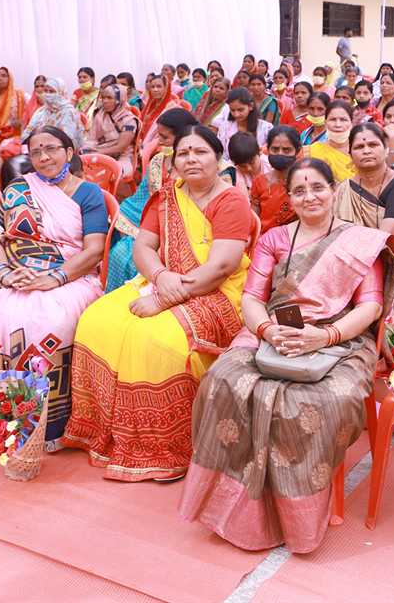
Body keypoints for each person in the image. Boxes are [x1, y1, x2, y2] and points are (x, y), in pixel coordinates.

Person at [180, 158, 394, 553]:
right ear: (290, 198)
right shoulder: (275, 239)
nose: (309, 197)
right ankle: (230, 507)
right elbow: (252, 298)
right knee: (222, 381)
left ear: (334, 190)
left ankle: (297, 519)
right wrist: (267, 330)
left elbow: (371, 307)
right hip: (273, 330)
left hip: (340, 339)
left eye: (317, 188)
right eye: (299, 191)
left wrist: (324, 336)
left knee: (316, 402)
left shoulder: (359, 242)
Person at [64, 126, 253, 482]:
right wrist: (160, 276)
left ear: (218, 159)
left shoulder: (232, 200)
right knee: (96, 320)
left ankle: (162, 448)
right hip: (162, 280)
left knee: (155, 341)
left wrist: (165, 297)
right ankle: (101, 432)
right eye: (184, 153)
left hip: (216, 292)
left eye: (200, 152)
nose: (191, 159)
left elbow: (222, 266)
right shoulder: (168, 195)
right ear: (174, 161)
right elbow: (143, 247)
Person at [0, 127, 107, 448]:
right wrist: (2, 272)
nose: (43, 157)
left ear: (69, 153)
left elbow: (94, 250)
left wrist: (54, 278)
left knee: (30, 321)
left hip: (69, 273)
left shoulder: (88, 194)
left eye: (51, 149)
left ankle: (26, 425)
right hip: (11, 270)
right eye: (36, 152)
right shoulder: (18, 188)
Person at [333, 122, 394, 313]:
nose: (366, 150)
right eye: (359, 147)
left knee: (373, 302)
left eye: (373, 145)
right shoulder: (344, 189)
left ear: (386, 149)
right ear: (350, 154)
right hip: (350, 261)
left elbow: (384, 240)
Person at [105, 108, 198, 292]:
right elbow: (141, 199)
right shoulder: (159, 161)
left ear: (183, 136)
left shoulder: (200, 165)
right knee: (115, 240)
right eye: (159, 135)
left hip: (186, 228)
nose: (159, 141)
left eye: (165, 137)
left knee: (126, 255)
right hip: (152, 218)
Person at [251, 125, 300, 235]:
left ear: (297, 151)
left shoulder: (304, 182)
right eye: (275, 149)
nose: (280, 154)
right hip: (264, 240)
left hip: (295, 240)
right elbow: (254, 220)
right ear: (268, 149)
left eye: (286, 150)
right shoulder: (259, 182)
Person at [83, 84, 140, 179]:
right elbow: (92, 138)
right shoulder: (101, 115)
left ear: (119, 100)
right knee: (80, 164)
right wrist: (88, 148)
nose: (105, 101)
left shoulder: (129, 121)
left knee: (105, 175)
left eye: (109, 98)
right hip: (100, 151)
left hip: (123, 157)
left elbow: (121, 147)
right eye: (103, 98)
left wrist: (97, 152)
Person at [21, 77, 84, 149]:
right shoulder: (41, 111)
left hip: (60, 150)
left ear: (60, 93)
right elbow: (27, 132)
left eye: (51, 91)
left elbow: (67, 140)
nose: (48, 94)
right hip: (39, 147)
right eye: (45, 91)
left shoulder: (68, 112)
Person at [306, 100, 355, 182]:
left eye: (343, 120)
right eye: (333, 119)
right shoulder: (312, 151)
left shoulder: (360, 150)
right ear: (325, 122)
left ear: (351, 123)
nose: (338, 125)